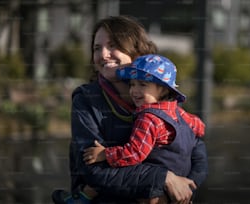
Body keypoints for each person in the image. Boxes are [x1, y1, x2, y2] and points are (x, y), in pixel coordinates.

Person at [52, 15, 208, 204]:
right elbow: (92, 169)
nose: (103, 54)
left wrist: (188, 184)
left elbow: (195, 146)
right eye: (96, 48)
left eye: (113, 45)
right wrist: (163, 178)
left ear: (136, 51)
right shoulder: (87, 99)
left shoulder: (160, 95)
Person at [83, 54, 206, 203]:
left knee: (101, 185)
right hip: (179, 183)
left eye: (142, 85)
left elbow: (134, 153)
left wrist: (105, 154)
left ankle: (81, 197)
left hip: (154, 186)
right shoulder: (179, 112)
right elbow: (199, 127)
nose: (134, 91)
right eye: (132, 84)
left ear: (162, 89)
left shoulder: (148, 119)